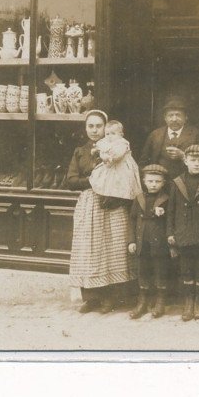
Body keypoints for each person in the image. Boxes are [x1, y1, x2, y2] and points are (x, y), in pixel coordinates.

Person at [67, 110, 133, 314]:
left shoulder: (118, 148)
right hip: (90, 203)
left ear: (106, 127)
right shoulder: (80, 151)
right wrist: (94, 181)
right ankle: (91, 298)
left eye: (99, 126)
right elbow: (70, 180)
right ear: (86, 128)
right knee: (89, 250)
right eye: (90, 126)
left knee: (113, 248)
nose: (95, 130)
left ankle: (111, 297)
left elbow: (127, 175)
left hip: (112, 202)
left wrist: (113, 191)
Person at [167, 144, 199, 321]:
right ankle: (188, 302)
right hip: (183, 234)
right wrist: (170, 233)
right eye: (192, 160)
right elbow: (171, 211)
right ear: (185, 161)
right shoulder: (177, 183)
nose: (196, 164)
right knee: (186, 269)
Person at [128, 164, 172, 319]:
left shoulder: (166, 199)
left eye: (157, 181)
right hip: (142, 242)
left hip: (159, 243)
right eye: (150, 181)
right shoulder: (139, 198)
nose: (153, 184)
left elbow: (171, 221)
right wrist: (132, 241)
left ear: (163, 183)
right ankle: (143, 302)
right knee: (143, 271)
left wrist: (163, 214)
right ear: (144, 181)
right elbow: (132, 220)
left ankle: (160, 301)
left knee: (160, 270)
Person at [139, 96, 199, 180]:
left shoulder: (197, 134)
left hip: (187, 181)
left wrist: (183, 156)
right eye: (170, 115)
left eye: (178, 115)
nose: (174, 119)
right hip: (161, 183)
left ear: (185, 117)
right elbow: (143, 161)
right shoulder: (155, 135)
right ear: (165, 118)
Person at [88, 119, 142, 208]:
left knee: (121, 183)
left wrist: (108, 156)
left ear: (121, 135)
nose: (109, 136)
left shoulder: (122, 143)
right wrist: (97, 151)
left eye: (113, 134)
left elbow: (118, 154)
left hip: (122, 167)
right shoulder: (105, 142)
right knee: (105, 182)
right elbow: (99, 148)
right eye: (107, 134)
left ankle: (119, 200)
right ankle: (106, 198)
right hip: (110, 167)